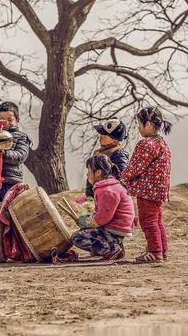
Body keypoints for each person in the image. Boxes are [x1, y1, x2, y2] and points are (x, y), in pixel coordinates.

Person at [122, 107, 172, 263]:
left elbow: (136, 167)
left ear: (148, 124)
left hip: (147, 191)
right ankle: (162, 250)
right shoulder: (162, 143)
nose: (138, 127)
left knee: (148, 221)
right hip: (159, 191)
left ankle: (154, 252)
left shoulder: (146, 144)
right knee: (157, 221)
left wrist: (123, 177)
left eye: (139, 123)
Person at [72, 154, 135, 261]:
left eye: (89, 171)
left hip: (114, 229)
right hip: (116, 227)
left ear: (98, 172)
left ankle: (112, 250)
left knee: (77, 237)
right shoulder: (109, 186)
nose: (87, 174)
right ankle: (114, 247)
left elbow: (103, 217)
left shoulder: (107, 190)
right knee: (85, 230)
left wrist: (87, 222)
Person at [84, 118, 129, 198]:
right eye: (100, 134)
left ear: (114, 141)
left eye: (104, 136)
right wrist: (89, 194)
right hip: (97, 194)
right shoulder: (99, 152)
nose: (100, 137)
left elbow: (123, 177)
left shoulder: (118, 154)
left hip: (109, 196)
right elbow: (91, 174)